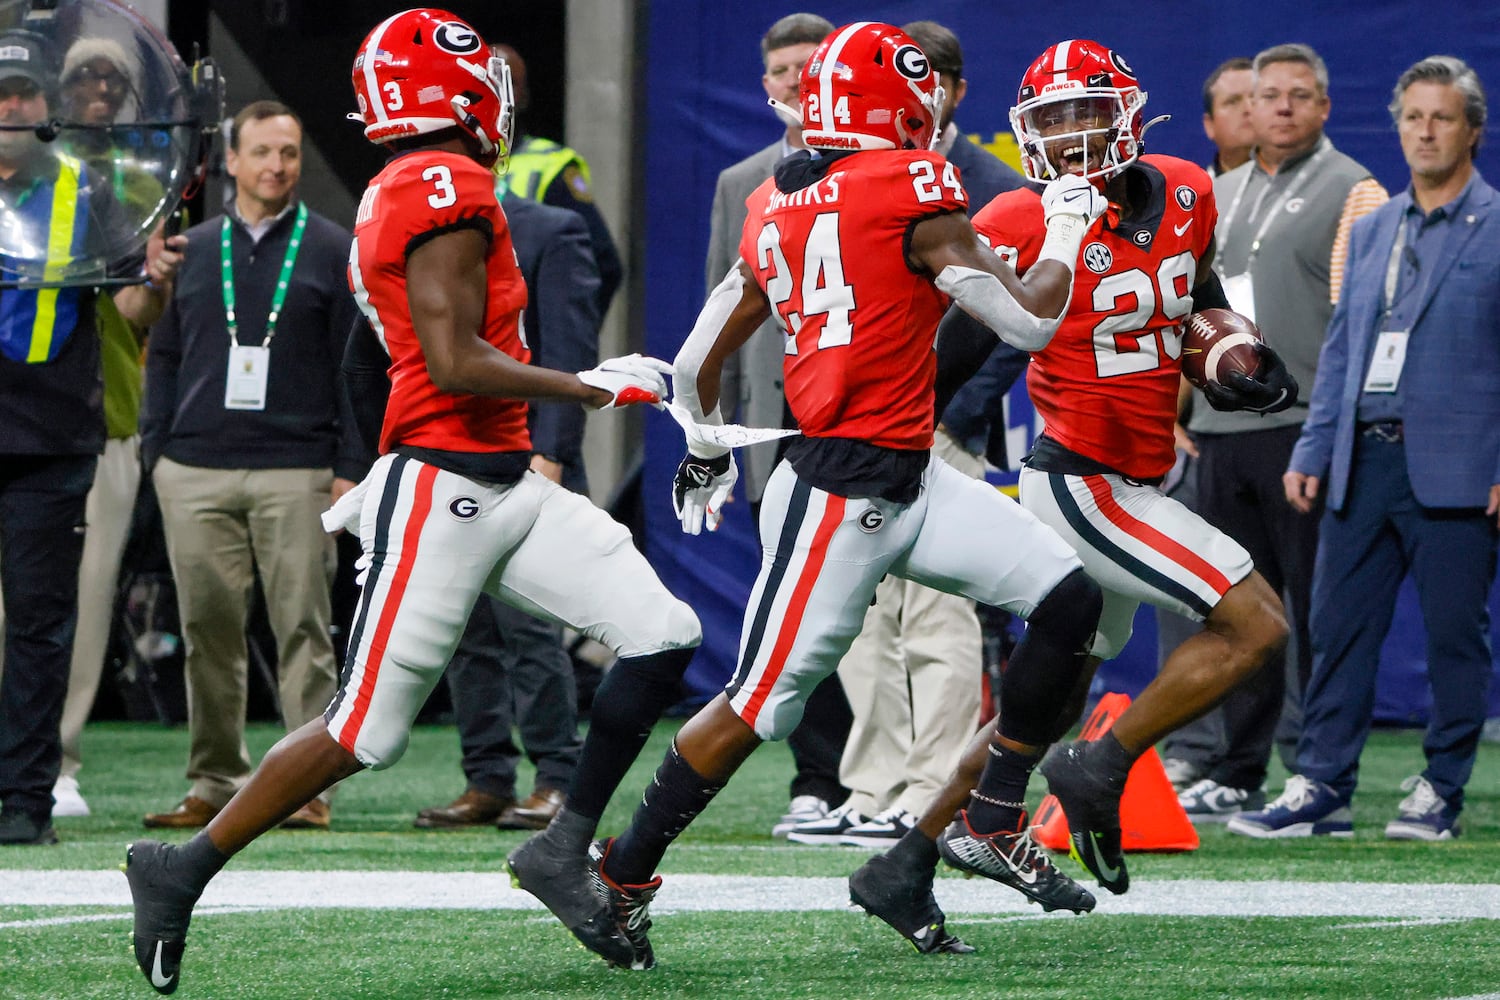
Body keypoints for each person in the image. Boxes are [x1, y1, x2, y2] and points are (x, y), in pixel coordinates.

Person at [122, 12, 698, 992]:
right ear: (456, 92)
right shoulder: (443, 184)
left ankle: (565, 847)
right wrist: (598, 385)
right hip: (446, 489)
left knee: (661, 631)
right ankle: (180, 867)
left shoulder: (415, 182)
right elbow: (453, 358)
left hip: (503, 480)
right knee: (366, 733)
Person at [542, 22, 1112, 969]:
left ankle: (990, 819)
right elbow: (1029, 321)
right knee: (757, 706)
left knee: (1068, 599)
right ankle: (622, 869)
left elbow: (695, 358)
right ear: (902, 105)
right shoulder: (916, 183)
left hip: (907, 476)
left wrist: (709, 447)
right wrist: (1063, 225)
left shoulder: (773, 199)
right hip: (839, 499)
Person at [849, 37, 1300, 949]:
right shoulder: (1022, 217)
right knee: (1257, 625)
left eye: (1086, 117)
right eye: (1051, 124)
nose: (1073, 142)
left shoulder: (1184, 187)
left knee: (1043, 699)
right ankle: (1103, 765)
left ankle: (905, 861)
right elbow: (961, 343)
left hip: (1134, 473)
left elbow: (1194, 289)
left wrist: (1222, 349)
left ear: (1129, 114)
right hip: (1082, 484)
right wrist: (894, 437)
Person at [1231, 56, 1499, 842]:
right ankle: (1321, 786)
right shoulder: (1376, 225)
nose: (1424, 132)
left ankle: (1440, 789)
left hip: (1458, 464)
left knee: (1456, 636)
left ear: (1472, 131)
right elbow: (1346, 348)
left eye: (1440, 117)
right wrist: (1313, 450)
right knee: (1337, 629)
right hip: (1361, 458)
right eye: (1412, 117)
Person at [786, 18, 1030, 848]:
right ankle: (873, 781)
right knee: (856, 613)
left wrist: (948, 409)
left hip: (940, 423)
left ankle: (932, 785)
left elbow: (1007, 321)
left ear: (955, 90)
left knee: (937, 616)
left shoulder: (991, 178)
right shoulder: (841, 165)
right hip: (855, 425)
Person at [1164, 44, 1387, 823]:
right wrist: (1174, 410)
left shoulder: (1355, 189)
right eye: (1269, 96)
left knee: (1316, 613)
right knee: (1237, 610)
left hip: (1303, 428)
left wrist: (1333, 431)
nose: (1283, 108)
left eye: (1300, 96)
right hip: (1221, 430)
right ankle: (1237, 765)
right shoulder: (1213, 192)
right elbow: (1174, 311)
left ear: (1324, 107)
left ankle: (1318, 769)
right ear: (1245, 110)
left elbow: (1366, 322)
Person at [138, 101, 361, 833]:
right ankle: (214, 780)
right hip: (194, 467)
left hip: (298, 470)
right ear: (229, 161)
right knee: (208, 630)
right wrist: (157, 451)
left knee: (305, 628)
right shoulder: (189, 249)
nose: (277, 166)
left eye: (289, 153)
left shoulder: (333, 247)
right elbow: (162, 356)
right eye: (262, 152)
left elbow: (354, 369)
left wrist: (349, 465)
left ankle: (307, 785)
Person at [0, 28, 181, 846]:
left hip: (52, 436)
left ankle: (26, 798)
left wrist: (158, 282)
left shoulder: (88, 190)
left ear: (46, 107)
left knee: (41, 625)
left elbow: (131, 309)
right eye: (2, 94)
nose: (14, 107)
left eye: (26, 93)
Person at [410, 183, 602, 832]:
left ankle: (556, 775)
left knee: (530, 624)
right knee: (463, 625)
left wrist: (553, 451)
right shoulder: (426, 226)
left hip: (526, 454)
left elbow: (571, 350)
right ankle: (486, 776)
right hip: (450, 452)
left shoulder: (551, 229)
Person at [703, 12, 849, 839]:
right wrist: (713, 437)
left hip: (862, 412)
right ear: (767, 84)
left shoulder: (883, 168)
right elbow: (721, 320)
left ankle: (892, 774)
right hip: (777, 420)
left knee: (882, 595)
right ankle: (819, 777)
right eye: (784, 70)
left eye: (812, 66)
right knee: (799, 601)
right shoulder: (741, 181)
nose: (797, 80)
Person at [41, 36, 167, 819]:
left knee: (87, 599)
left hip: (105, 412)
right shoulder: (22, 177)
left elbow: (135, 309)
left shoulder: (141, 181)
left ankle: (58, 760)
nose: (98, 87)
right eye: (83, 75)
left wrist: (156, 282)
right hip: (18, 407)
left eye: (110, 78)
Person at [492, 42, 621, 318]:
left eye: (508, 83)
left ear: (524, 96)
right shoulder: (447, 164)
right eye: (488, 81)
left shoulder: (553, 165)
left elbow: (605, 263)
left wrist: (569, 326)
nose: (497, 92)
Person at [1203, 58, 1256, 177]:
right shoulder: (1195, 193)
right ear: (1209, 125)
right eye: (1233, 101)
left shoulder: (1305, 187)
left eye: (1257, 98)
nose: (1249, 108)